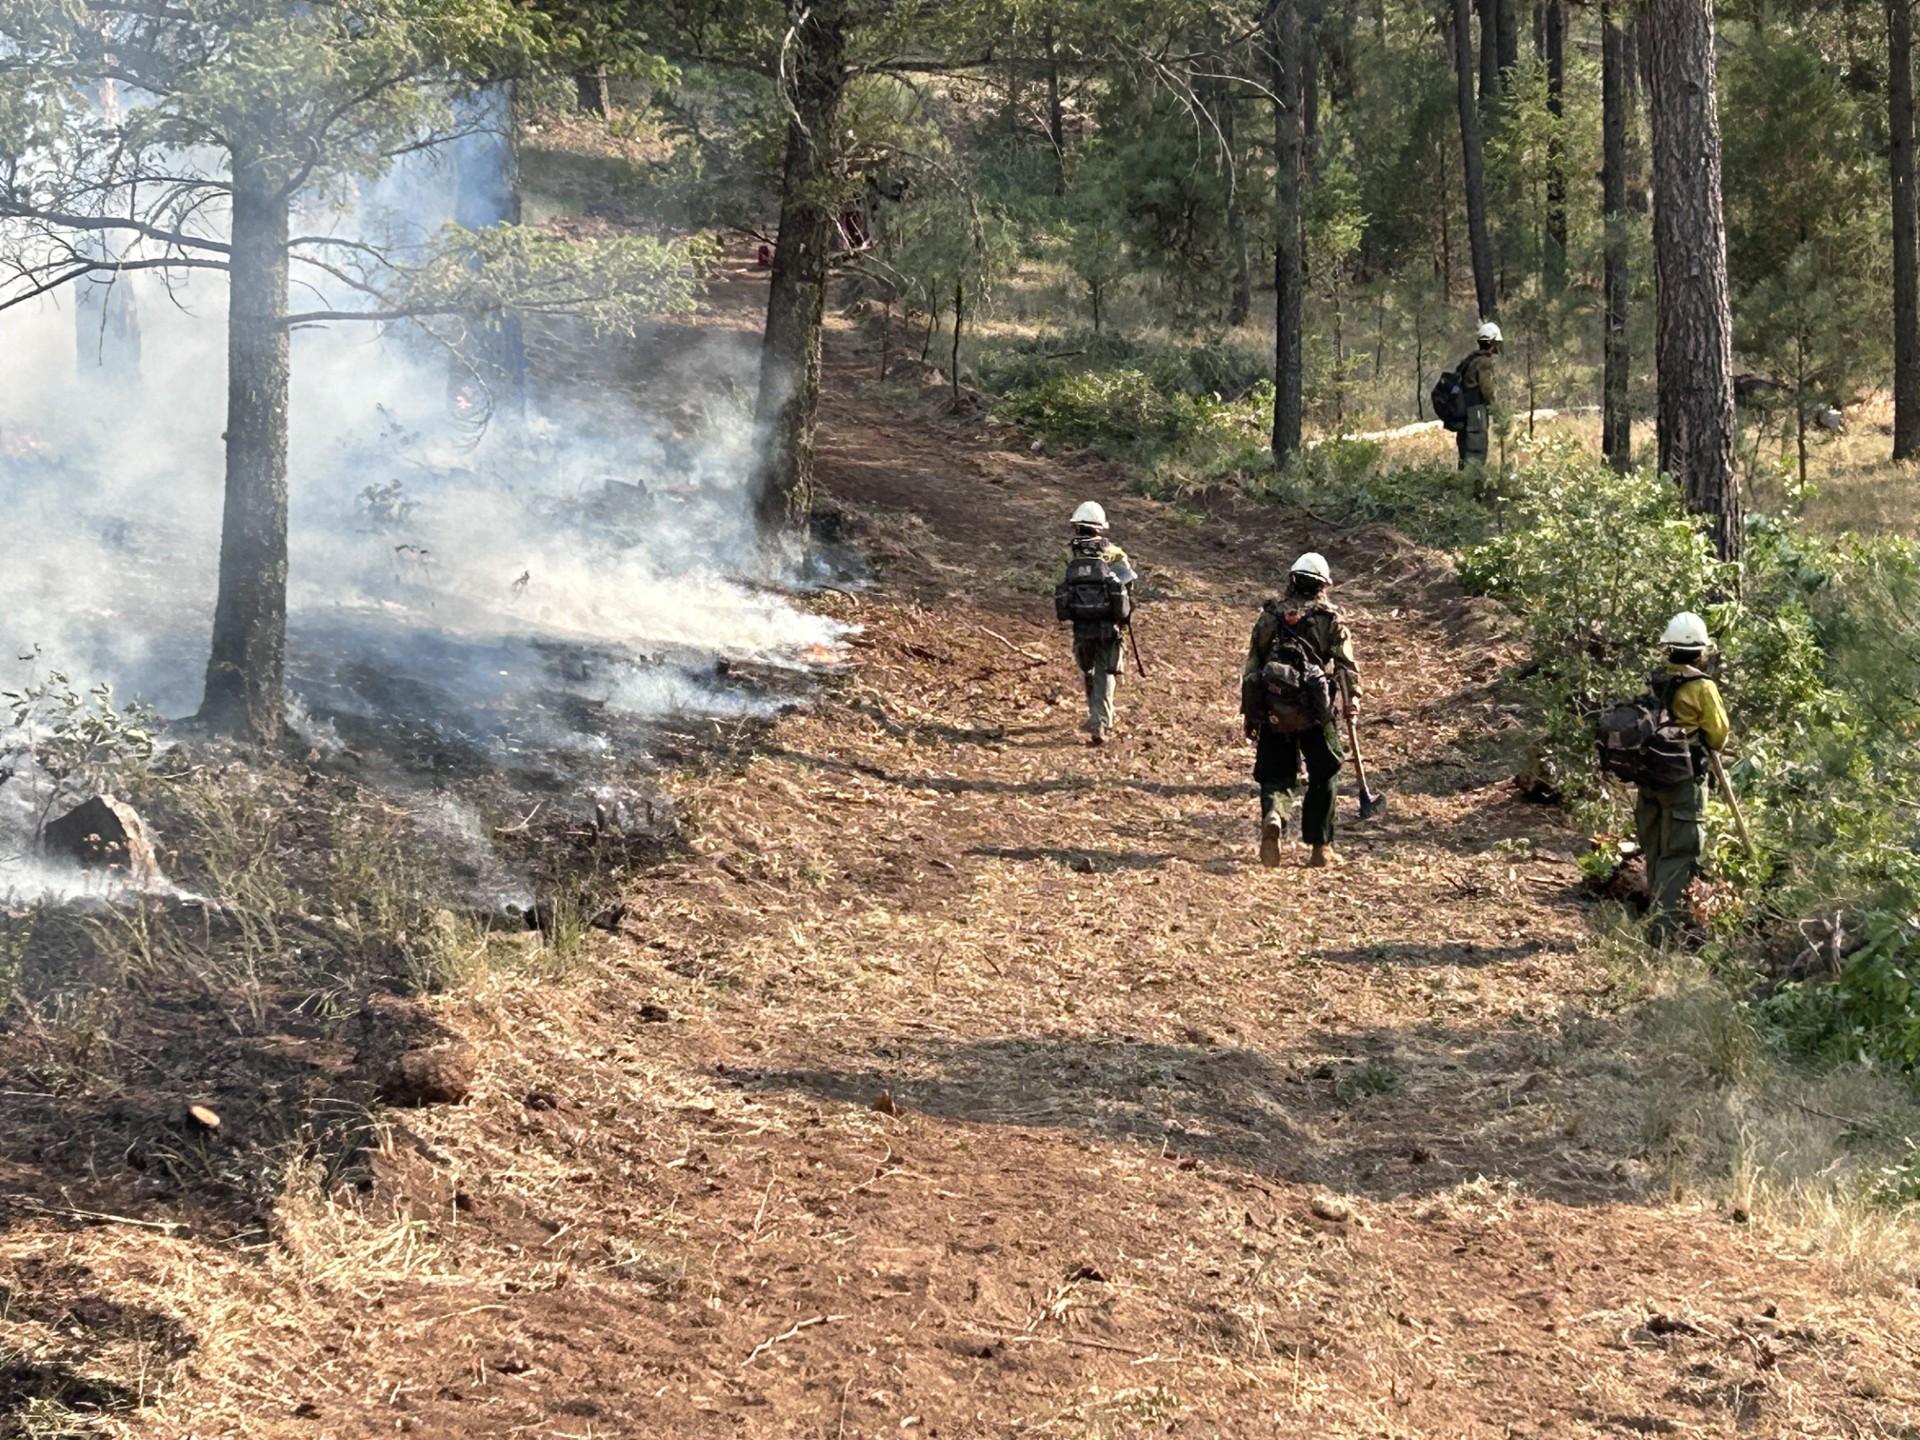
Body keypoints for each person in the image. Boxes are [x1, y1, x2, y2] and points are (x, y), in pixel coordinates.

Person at [1241, 552, 1360, 868]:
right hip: (1316, 713)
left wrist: (1250, 715)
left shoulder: (1269, 618)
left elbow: (1252, 667)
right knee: (1325, 772)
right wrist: (1353, 699)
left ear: (1292, 580)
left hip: (1274, 711)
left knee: (1275, 774)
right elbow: (1346, 666)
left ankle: (1274, 815)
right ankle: (1320, 848)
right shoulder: (1330, 621)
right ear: (1323, 586)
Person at [1637, 611, 1731, 940]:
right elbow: (1718, 736)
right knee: (1678, 854)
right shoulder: (1702, 687)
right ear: (1701, 650)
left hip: (1649, 776)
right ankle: (1663, 933)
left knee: (1655, 848)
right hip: (1683, 780)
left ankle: (1651, 917)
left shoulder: (1654, 677)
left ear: (1669, 647)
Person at [1055, 501, 1136, 746]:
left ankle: (1095, 715)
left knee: (1088, 669)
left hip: (1081, 626)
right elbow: (1128, 585)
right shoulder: (1115, 553)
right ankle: (1101, 720)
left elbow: (1063, 587)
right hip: (1109, 627)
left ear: (1076, 527)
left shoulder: (1068, 555)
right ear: (1101, 527)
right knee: (1105, 672)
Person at [1456, 320, 1502, 470]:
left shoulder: (1469, 361)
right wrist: (1496, 408)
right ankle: (1472, 486)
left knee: (1465, 451)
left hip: (1464, 411)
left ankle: (1462, 484)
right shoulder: (1484, 362)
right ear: (1493, 342)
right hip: (1475, 412)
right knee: (1476, 449)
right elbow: (1487, 389)